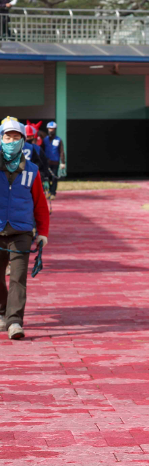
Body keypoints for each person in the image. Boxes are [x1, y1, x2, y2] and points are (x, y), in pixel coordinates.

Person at [0, 117, 50, 341]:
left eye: (15, 137)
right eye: (7, 137)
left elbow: (39, 203)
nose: (11, 141)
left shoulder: (32, 170)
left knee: (18, 277)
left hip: (21, 232)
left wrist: (43, 232)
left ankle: (14, 322)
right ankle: (2, 311)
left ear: (22, 140)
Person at [43, 121, 65, 201]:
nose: (51, 130)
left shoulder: (59, 140)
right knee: (47, 178)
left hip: (55, 163)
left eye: (52, 129)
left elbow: (62, 151)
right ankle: (48, 192)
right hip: (46, 163)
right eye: (49, 128)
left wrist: (63, 162)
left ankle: (53, 193)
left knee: (54, 178)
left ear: (55, 129)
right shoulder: (44, 140)